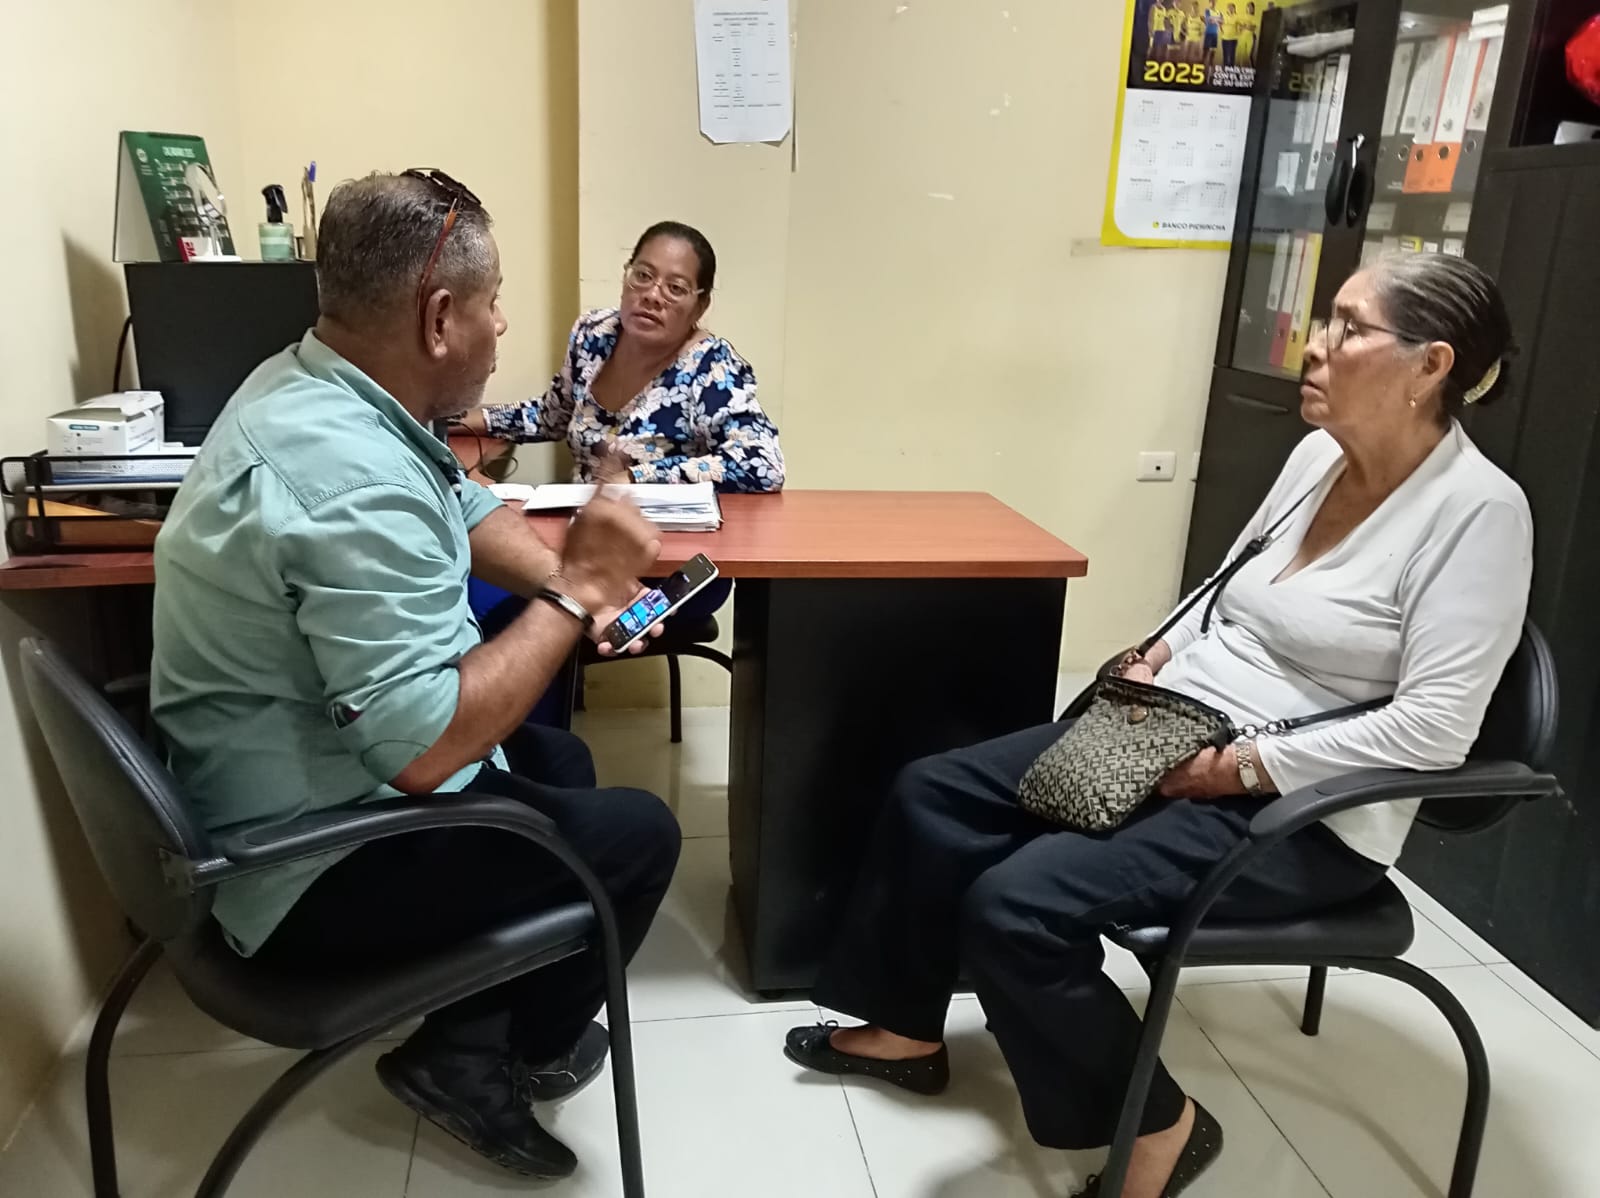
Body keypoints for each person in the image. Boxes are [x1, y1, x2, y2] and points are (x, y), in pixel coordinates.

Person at [782, 253, 1530, 1198]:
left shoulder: (1480, 514)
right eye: (1325, 319)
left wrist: (1242, 768)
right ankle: (906, 1030)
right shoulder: (1317, 458)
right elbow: (1225, 588)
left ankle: (1158, 1129)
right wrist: (1157, 654)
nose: (1315, 345)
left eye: (1349, 327)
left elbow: (1435, 730)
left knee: (1016, 909)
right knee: (934, 792)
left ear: (1431, 364)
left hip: (1300, 811)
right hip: (1177, 728)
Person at [151, 171, 683, 1180]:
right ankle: (487, 1062)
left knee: (559, 759)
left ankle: (473, 1027)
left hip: (284, 787)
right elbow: (425, 748)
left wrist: (575, 583)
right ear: (439, 319)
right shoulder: (345, 479)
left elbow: (463, 505)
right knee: (639, 837)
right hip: (302, 869)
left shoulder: (316, 385)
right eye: (492, 303)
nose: (502, 324)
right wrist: (577, 595)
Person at [461, 220, 785, 494]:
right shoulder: (593, 335)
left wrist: (636, 477)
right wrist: (462, 419)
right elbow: (551, 417)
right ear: (625, 276)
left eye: (675, 288)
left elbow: (762, 464)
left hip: (662, 533)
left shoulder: (712, 367)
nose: (652, 295)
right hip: (580, 520)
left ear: (700, 306)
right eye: (643, 276)